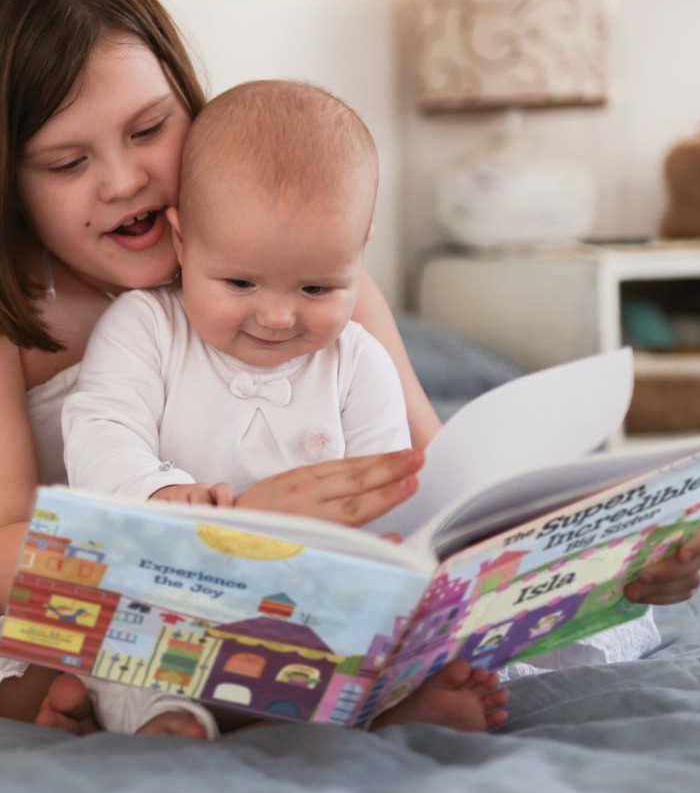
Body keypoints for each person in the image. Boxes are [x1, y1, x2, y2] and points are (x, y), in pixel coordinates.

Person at [0, 0, 700, 731]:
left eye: (148, 128)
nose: (123, 180)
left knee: (573, 620)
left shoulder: (294, 270)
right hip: (70, 585)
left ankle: (264, 690)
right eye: (67, 160)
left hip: (313, 589)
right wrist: (230, 538)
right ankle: (219, 693)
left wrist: (609, 553)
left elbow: (436, 472)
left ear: (187, 101)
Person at [59, 78, 508, 738]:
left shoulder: (357, 360)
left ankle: (389, 705)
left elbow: (388, 487)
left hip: (310, 606)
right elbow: (100, 434)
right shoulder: (144, 328)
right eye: (239, 282)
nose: (276, 315)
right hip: (183, 591)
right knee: (123, 647)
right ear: (182, 244)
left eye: (318, 286)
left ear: (360, 251)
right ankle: (169, 719)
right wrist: (161, 498)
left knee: (386, 628)